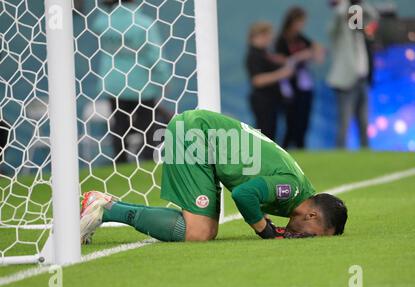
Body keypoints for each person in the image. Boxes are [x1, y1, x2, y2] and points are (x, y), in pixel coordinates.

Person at [80, 109, 348, 243]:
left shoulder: (296, 190)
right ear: (312, 216)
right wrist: (264, 229)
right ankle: (106, 208)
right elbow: (244, 194)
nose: (307, 239)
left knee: (204, 230)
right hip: (197, 135)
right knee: (199, 232)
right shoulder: (290, 188)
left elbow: (252, 186)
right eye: (314, 235)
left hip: (206, 141)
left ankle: (105, 205)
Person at [92, 0, 170, 163]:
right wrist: (163, 78)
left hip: (113, 82)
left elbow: (96, 25)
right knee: (148, 124)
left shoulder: (104, 22)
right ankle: (149, 160)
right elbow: (155, 54)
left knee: (119, 123)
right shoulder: (143, 23)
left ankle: (119, 161)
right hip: (141, 83)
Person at [327, 0, 379, 148]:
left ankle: (365, 153)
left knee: (364, 121)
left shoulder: (361, 34)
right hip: (346, 82)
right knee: (344, 122)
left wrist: (360, 3)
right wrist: (346, 3)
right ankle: (340, 154)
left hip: (362, 80)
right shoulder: (340, 33)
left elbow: (373, 15)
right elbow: (338, 16)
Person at [275, 7, 324, 149]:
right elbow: (282, 61)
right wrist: (300, 56)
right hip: (289, 87)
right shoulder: (282, 40)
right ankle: (285, 152)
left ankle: (301, 149)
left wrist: (315, 52)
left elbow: (316, 49)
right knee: (291, 123)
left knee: (303, 122)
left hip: (305, 85)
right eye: (300, 21)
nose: (301, 25)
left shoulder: (300, 38)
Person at [245, 22, 294, 141]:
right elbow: (257, 80)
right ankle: (262, 158)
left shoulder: (264, 53)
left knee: (271, 131)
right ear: (260, 36)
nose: (270, 39)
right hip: (262, 100)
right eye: (268, 36)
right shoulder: (254, 55)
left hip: (270, 99)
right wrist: (281, 74)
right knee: (265, 132)